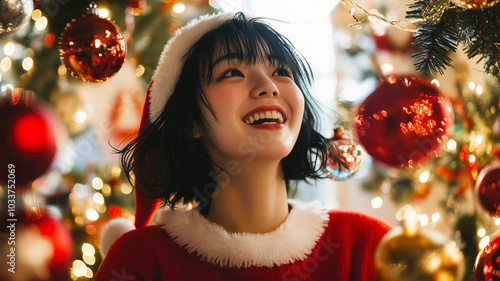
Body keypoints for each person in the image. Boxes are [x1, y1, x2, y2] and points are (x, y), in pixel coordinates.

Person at [94, 12, 391, 281]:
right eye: (232, 73)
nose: (268, 86)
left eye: (281, 72)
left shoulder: (369, 247)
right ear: (190, 121)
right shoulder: (140, 261)